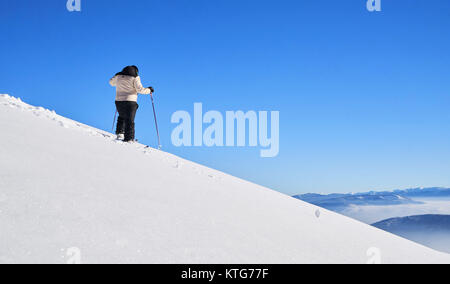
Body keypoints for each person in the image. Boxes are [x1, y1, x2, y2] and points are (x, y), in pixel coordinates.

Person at [109, 66, 154, 142]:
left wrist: (116, 75)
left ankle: (120, 133)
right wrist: (149, 90)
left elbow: (111, 83)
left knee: (121, 116)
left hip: (118, 101)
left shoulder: (119, 77)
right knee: (130, 120)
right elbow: (140, 89)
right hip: (130, 101)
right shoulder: (135, 77)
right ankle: (129, 138)